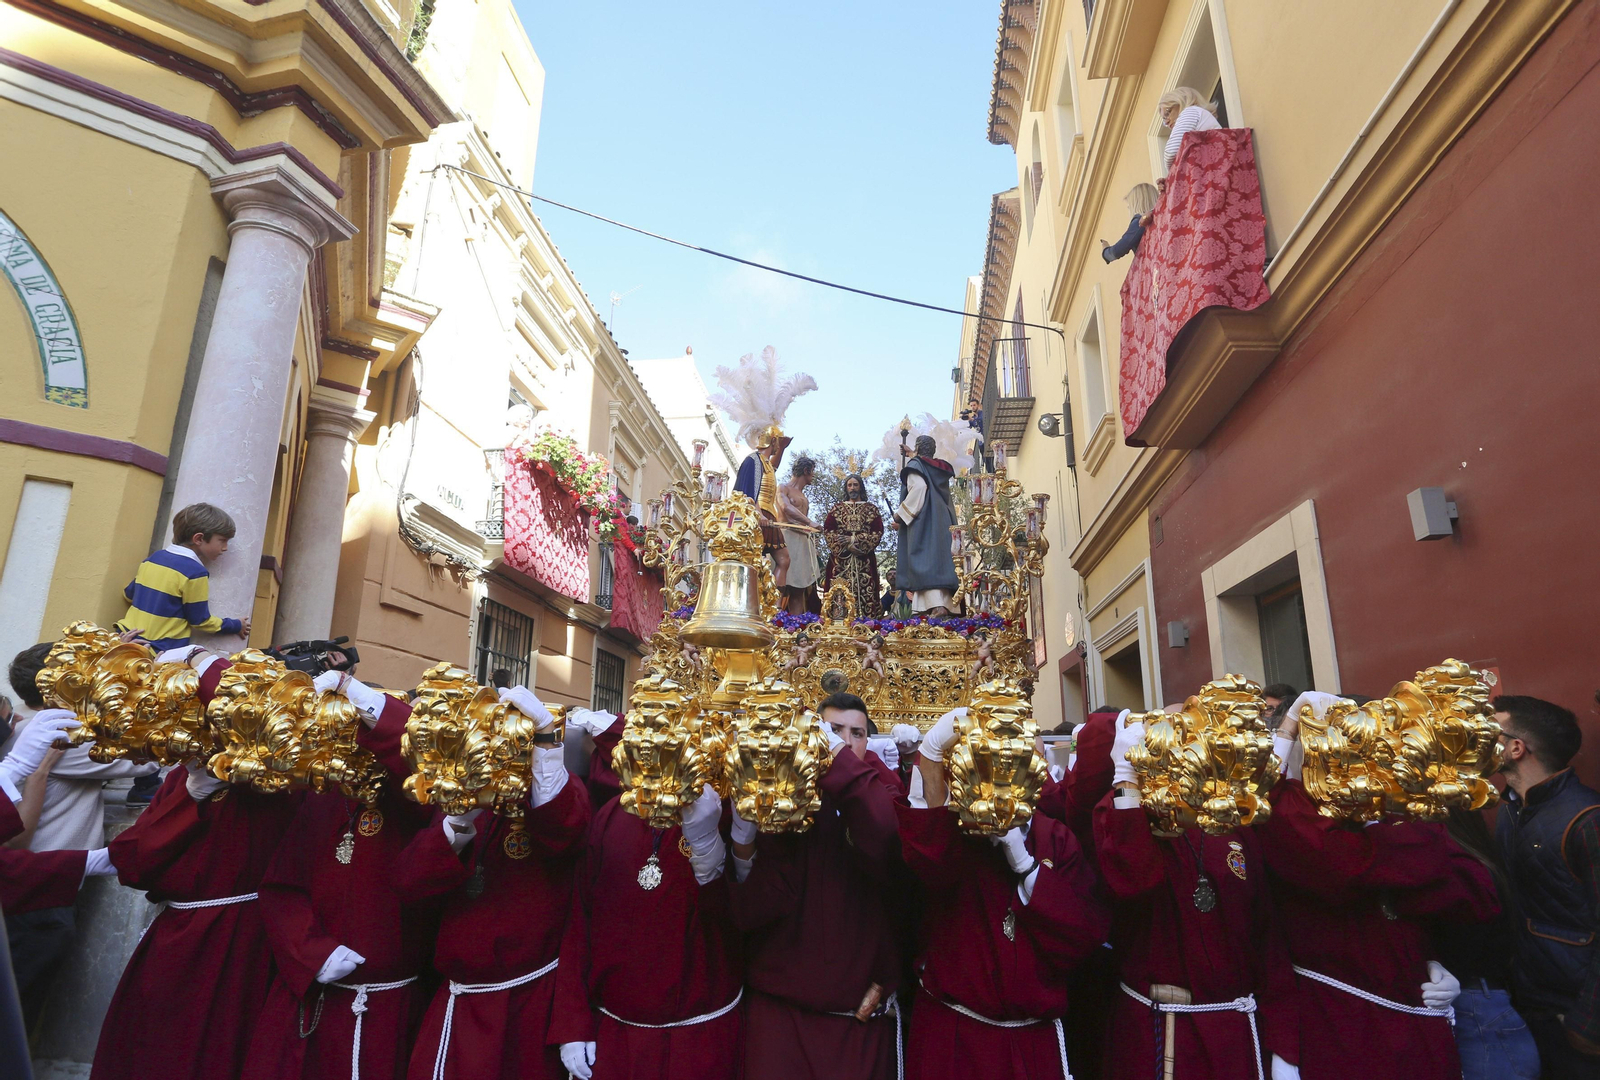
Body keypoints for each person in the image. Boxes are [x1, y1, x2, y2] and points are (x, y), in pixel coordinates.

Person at [1257, 692, 1498, 1080]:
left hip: (1416, 1019)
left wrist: (1443, 962)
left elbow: (1477, 894)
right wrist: (1286, 730)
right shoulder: (1293, 819)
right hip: (1337, 1022)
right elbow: (1332, 861)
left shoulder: (1412, 812)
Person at [90, 644, 304, 1080]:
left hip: (239, 938)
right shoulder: (182, 777)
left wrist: (204, 660)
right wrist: (189, 794)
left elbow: (255, 710)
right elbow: (135, 862)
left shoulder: (268, 776)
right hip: (178, 936)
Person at [897, 708, 1112, 1080]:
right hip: (955, 1035)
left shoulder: (1055, 837)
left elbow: (1083, 936)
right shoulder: (952, 831)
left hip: (1032, 1038)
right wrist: (930, 758)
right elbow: (928, 868)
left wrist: (1027, 867)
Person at [243, 671, 433, 1080]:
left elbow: (418, 758)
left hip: (390, 1002)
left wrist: (353, 690)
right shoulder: (322, 796)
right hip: (313, 995)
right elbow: (281, 887)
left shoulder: (414, 800)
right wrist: (312, 953)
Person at [398, 684, 589, 1080]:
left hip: (529, 1003)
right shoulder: (463, 800)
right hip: (458, 1000)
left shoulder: (555, 796)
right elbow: (411, 884)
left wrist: (547, 744)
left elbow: (564, 826)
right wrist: (457, 824)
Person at [1095, 712, 1300, 1080]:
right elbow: (1131, 881)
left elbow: (1266, 938)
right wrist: (1126, 782)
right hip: (1160, 1032)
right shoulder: (1126, 814)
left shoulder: (1233, 823)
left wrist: (1285, 1046)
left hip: (1235, 1031)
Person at [728, 692, 906, 1080]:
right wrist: (742, 845)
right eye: (832, 730)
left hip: (854, 1017)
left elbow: (887, 843)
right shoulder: (783, 795)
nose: (842, 740)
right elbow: (760, 902)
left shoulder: (882, 790)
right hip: (782, 1013)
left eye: (854, 734)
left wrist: (889, 970)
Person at [2, 643, 156, 1019]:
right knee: (20, 1012)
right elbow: (146, 760)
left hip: (45, 882)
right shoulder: (56, 738)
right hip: (37, 890)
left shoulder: (36, 724)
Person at [549, 781, 740, 1079]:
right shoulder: (614, 812)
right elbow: (580, 924)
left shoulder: (725, 813)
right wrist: (573, 1024)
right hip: (615, 1042)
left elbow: (739, 919)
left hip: (699, 1046)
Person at [1493, 694, 1600, 1076]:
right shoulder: (1510, 810)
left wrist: (1589, 1025)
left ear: (1516, 748)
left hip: (1573, 1021)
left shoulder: (1587, 819)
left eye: (1489, 732)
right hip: (1527, 1010)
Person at [1437, 808, 1541, 1080]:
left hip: (1476, 1012)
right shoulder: (1482, 864)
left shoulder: (1463, 873)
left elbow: (1459, 947)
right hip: (1486, 1005)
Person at [0, 710, 113, 915]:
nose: (18, 718)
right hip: (33, 903)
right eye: (8, 718)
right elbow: (14, 845)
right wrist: (21, 768)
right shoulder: (43, 743)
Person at [116, 501, 252, 649]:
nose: (225, 548)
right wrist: (236, 625)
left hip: (125, 636)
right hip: (157, 647)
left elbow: (128, 594)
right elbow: (200, 621)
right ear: (199, 539)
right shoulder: (195, 572)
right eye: (222, 540)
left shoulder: (154, 558)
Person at [894, 435, 959, 619]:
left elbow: (920, 487)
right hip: (943, 517)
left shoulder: (916, 465)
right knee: (941, 559)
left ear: (917, 448)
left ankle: (936, 606)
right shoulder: (938, 467)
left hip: (926, 519)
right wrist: (911, 454)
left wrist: (901, 514)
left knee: (926, 559)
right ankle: (944, 605)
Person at [734, 429, 793, 589]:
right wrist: (758, 514)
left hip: (768, 516)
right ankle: (757, 600)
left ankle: (773, 605)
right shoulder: (753, 460)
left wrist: (782, 448)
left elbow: (772, 467)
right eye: (777, 442)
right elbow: (748, 492)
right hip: (757, 516)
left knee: (784, 560)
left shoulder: (765, 462)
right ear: (772, 441)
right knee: (753, 560)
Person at [824, 474, 885, 619]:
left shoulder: (871, 509)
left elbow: (877, 532)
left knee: (866, 591)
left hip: (864, 560)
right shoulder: (836, 509)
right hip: (840, 561)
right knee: (839, 593)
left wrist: (854, 541)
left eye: (855, 485)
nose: (852, 488)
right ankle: (839, 623)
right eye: (849, 485)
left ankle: (867, 622)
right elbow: (828, 531)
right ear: (846, 488)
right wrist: (843, 545)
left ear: (861, 487)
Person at [778, 455, 823, 615]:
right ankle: (774, 622)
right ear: (806, 470)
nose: (814, 475)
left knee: (799, 589)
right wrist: (810, 522)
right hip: (786, 539)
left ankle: (795, 628)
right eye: (813, 471)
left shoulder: (803, 495)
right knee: (781, 585)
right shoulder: (783, 488)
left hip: (802, 541)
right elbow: (786, 508)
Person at [1158, 86, 1222, 173]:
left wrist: (1171, 176)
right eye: (1164, 119)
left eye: (1168, 112)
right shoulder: (1199, 113)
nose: (1167, 121)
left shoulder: (1190, 112)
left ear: (1181, 101)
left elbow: (1171, 153)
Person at [1099, 183, 1160, 263]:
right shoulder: (1160, 217)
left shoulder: (1140, 221)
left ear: (1136, 205)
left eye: (1129, 207)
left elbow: (1117, 251)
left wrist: (1105, 251)